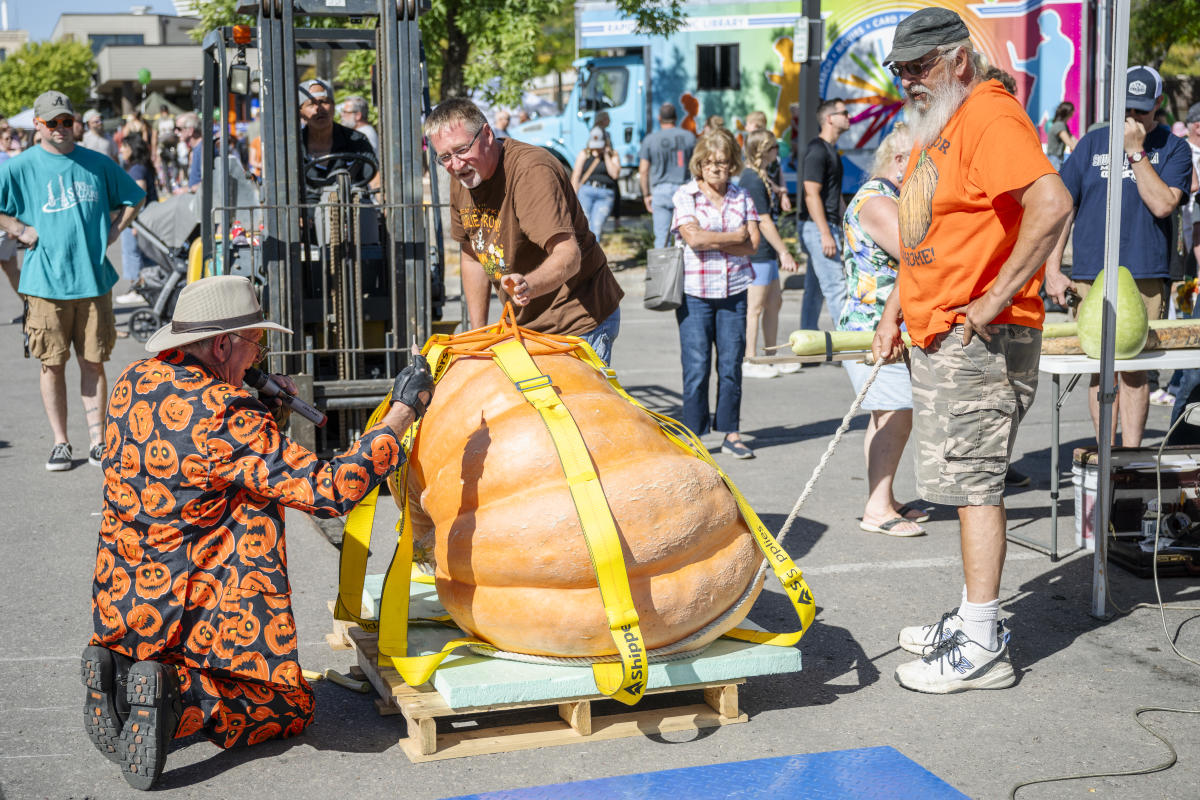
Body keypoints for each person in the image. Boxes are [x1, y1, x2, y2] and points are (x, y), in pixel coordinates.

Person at [80, 275, 433, 790]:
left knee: (244, 497)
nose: (258, 357)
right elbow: (327, 490)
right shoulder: (225, 412)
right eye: (255, 344)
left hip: (127, 597)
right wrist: (400, 412)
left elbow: (205, 465)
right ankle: (182, 699)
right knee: (290, 706)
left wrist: (265, 407)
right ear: (222, 344)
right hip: (193, 601)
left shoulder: (136, 379)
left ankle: (118, 666)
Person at [872, 8, 1072, 693]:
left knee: (975, 486)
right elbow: (931, 235)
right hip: (941, 335)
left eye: (918, 67)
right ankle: (971, 615)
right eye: (899, 70)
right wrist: (897, 309)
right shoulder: (944, 122)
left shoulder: (988, 113)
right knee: (960, 486)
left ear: (958, 59)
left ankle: (984, 642)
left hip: (982, 338)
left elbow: (1052, 203)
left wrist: (990, 302)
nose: (908, 81)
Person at [1044, 66, 1191, 448]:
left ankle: (1130, 458)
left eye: (1141, 110)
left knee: (1134, 370)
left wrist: (1136, 153)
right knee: (1100, 369)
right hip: (1091, 274)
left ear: (1158, 106)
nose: (1132, 117)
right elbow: (1063, 208)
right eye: (1125, 108)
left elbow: (1163, 205)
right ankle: (1106, 450)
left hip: (1144, 273)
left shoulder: (1172, 148)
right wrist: (1053, 268)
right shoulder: (1091, 144)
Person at [0, 90, 146, 471]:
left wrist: (116, 230)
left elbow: (135, 196)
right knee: (52, 363)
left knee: (93, 362)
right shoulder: (20, 166)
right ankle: (61, 442)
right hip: (45, 284)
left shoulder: (96, 163)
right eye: (53, 122)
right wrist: (16, 227)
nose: (62, 128)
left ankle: (98, 441)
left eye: (67, 121)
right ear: (38, 125)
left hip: (94, 280)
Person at [424, 98, 624, 364]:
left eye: (461, 150)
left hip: (577, 321)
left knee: (567, 406)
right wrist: (477, 333)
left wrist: (529, 285)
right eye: (445, 157)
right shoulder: (462, 176)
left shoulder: (531, 171)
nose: (456, 165)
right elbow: (472, 255)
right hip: (527, 326)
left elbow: (569, 255)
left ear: (487, 134)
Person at [838, 123, 926, 536]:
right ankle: (877, 509)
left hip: (881, 326)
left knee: (889, 413)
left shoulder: (886, 196)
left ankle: (883, 497)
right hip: (872, 327)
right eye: (921, 162)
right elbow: (918, 254)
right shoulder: (877, 201)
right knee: (896, 413)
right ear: (897, 160)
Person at [671, 129, 761, 458]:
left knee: (731, 365)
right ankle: (694, 435)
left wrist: (715, 237)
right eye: (709, 163)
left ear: (733, 164)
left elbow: (752, 245)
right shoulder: (685, 195)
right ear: (699, 165)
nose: (716, 169)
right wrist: (733, 235)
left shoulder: (742, 196)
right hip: (694, 292)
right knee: (696, 367)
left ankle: (731, 434)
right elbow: (692, 240)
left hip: (734, 291)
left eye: (723, 162)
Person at [739, 129, 799, 379]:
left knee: (774, 303)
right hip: (759, 251)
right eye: (775, 148)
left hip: (766, 253)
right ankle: (750, 359)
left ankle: (771, 356)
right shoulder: (751, 179)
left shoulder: (761, 175)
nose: (779, 152)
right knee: (755, 307)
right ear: (764, 150)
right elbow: (763, 221)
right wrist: (784, 252)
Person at [798, 98, 851, 331]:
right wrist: (825, 233)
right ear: (830, 119)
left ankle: (807, 342)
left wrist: (847, 225)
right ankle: (851, 352)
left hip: (826, 226)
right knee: (837, 288)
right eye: (844, 113)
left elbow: (834, 196)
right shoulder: (817, 150)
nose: (849, 117)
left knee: (815, 290)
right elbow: (811, 194)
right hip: (818, 227)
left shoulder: (832, 152)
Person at [299, 79, 376, 202]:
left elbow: (375, 178)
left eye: (324, 102)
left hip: (353, 210)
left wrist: (384, 201)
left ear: (334, 107)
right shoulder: (294, 146)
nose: (318, 108)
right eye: (311, 104)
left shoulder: (357, 141)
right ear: (300, 112)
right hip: (308, 213)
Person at [639, 103, 696, 248]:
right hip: (684, 191)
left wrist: (646, 194)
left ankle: (662, 269)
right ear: (676, 118)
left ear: (659, 118)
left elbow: (644, 170)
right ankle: (683, 269)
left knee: (661, 237)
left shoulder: (650, 140)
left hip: (660, 191)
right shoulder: (689, 137)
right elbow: (697, 165)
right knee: (686, 236)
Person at [114, 135, 159, 306]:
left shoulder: (137, 169)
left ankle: (137, 288)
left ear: (133, 148)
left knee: (132, 253)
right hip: (145, 218)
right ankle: (142, 286)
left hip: (138, 219)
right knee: (143, 255)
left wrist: (136, 220)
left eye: (124, 147)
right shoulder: (142, 166)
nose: (121, 150)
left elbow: (140, 195)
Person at [571, 127, 621, 239]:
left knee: (596, 228)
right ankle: (585, 255)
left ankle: (593, 255)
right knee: (584, 226)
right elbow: (576, 175)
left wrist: (606, 155)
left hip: (605, 194)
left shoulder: (613, 154)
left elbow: (615, 174)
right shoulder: (584, 153)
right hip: (586, 191)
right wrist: (573, 196)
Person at [1045, 101, 1078, 170]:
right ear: (1069, 112)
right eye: (1073, 111)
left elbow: (1073, 139)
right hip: (1054, 159)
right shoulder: (1059, 125)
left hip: (1056, 158)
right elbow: (1069, 142)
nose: (1074, 113)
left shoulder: (1063, 125)